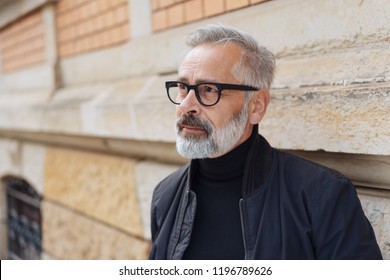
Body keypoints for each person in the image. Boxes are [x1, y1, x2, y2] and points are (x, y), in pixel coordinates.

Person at [149, 24, 382, 260]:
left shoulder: (321, 195)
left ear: (256, 106)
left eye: (208, 89)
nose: (186, 105)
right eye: (182, 88)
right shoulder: (166, 196)